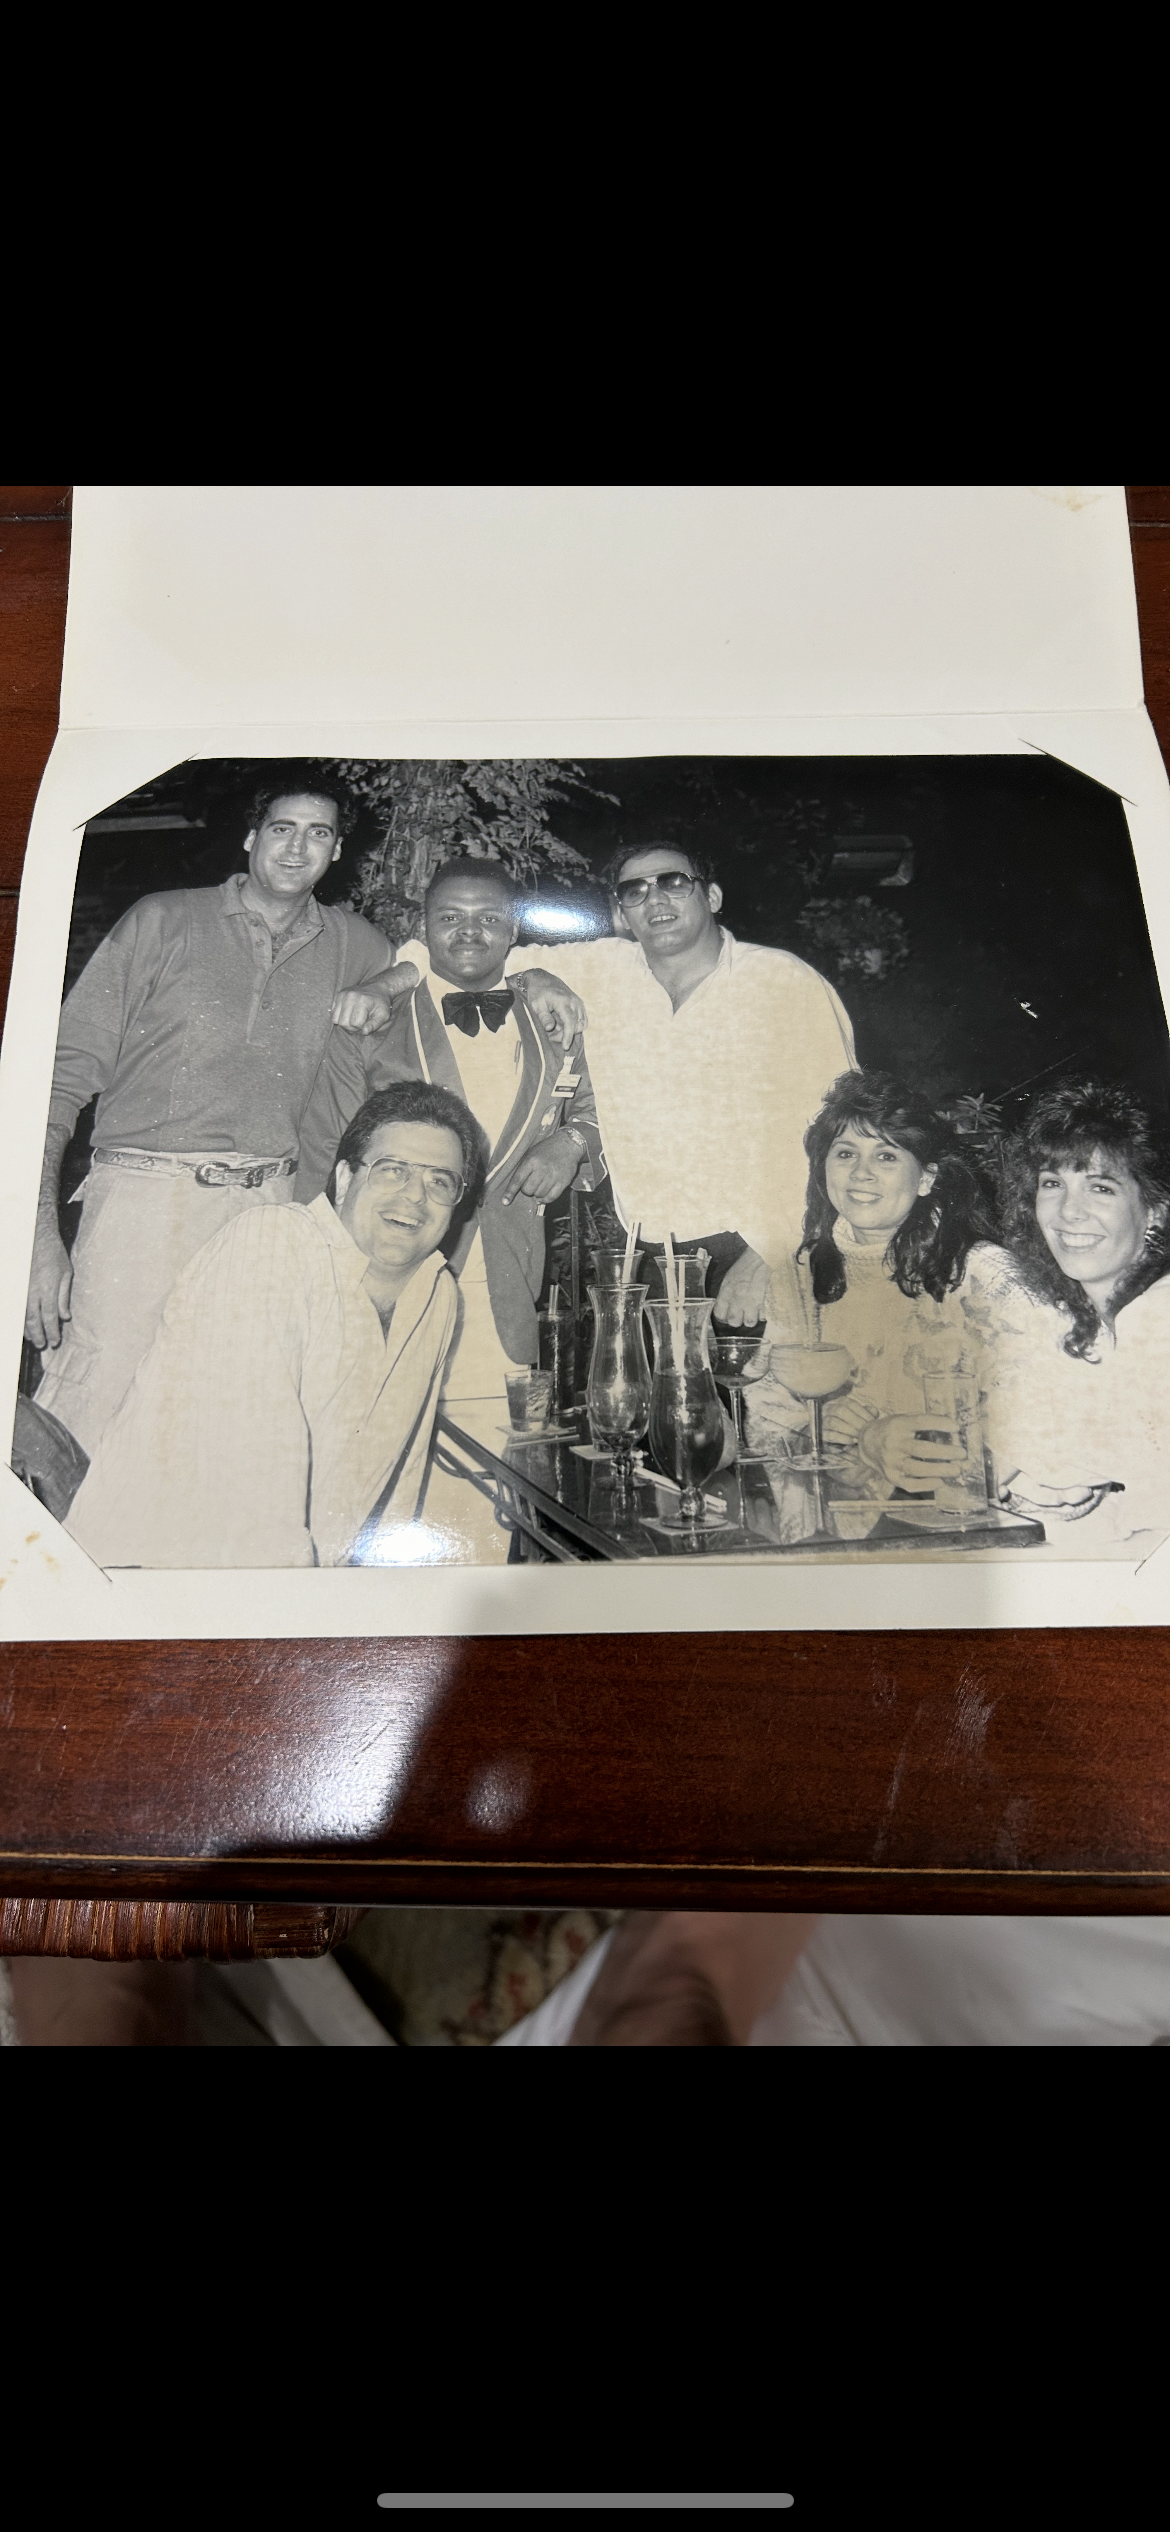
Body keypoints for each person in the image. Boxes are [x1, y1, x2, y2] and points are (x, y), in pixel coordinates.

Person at [26, 768, 401, 1460]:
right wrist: (34, 1239)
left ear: (338, 852)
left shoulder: (356, 944)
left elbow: (433, 967)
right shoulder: (162, 920)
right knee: (94, 1406)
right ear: (253, 837)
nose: (297, 848)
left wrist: (390, 980)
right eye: (283, 829)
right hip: (144, 1199)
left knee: (227, 1423)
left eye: (319, 834)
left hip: (268, 1207)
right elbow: (55, 1080)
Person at [296, 859, 605, 1561]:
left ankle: (470, 1626)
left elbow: (591, 1110)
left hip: (504, 1278)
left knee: (487, 1468)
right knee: (374, 1457)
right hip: (389, 1275)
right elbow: (324, 1153)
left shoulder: (554, 1016)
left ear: (515, 930)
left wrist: (571, 1142)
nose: (470, 933)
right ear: (423, 928)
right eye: (451, 918)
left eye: (489, 918)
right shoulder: (374, 1018)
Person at [65, 1083, 478, 1569]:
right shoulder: (271, 1245)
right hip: (159, 1584)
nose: (414, 1196)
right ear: (345, 1179)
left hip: (294, 1594)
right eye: (392, 1171)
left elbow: (399, 1479)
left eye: (440, 1182)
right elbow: (255, 1485)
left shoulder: (437, 1293)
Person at [486, 841, 858, 1326]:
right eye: (635, 891)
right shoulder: (603, 970)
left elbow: (842, 1131)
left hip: (759, 1248)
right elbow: (465, 957)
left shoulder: (783, 982)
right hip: (649, 1254)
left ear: (714, 897)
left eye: (674, 883)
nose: (655, 900)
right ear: (621, 915)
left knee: (769, 1399)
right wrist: (533, 975)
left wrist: (775, 1252)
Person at [745, 1070, 994, 1493]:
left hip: (950, 1523)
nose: (861, 1173)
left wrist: (884, 1440)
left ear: (927, 1178)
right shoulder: (799, 1272)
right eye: (845, 1154)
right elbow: (765, 1415)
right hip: (823, 1521)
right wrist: (819, 1442)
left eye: (886, 1156)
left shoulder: (981, 1276)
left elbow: (1027, 1431)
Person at [965, 1081, 1170, 1544]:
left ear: (1154, 1210)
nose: (1068, 1211)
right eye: (1052, 1183)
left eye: (1101, 1188)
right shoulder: (1082, 1325)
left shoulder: (1158, 1314)